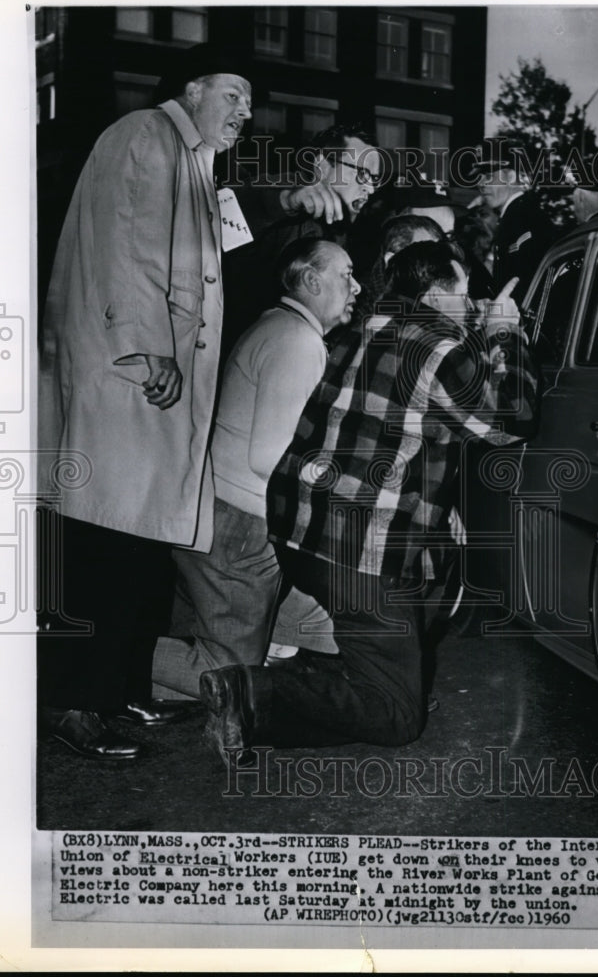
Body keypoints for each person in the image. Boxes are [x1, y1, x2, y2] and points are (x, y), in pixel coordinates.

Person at [198, 241, 540, 760]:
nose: (472, 304)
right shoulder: (439, 348)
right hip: (358, 552)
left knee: (430, 573)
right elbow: (512, 421)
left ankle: (348, 677)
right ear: (436, 293)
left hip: (299, 533)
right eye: (465, 292)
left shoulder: (356, 331)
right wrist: (504, 331)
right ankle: (253, 693)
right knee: (399, 718)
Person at [37, 44, 260, 760]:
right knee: (103, 541)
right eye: (233, 94)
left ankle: (118, 687)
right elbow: (125, 250)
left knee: (138, 545)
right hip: (129, 376)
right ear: (192, 88)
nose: (245, 112)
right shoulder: (144, 137)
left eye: (248, 102)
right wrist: (148, 348)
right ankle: (71, 702)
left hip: (152, 389)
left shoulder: (193, 160)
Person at [151, 239, 360, 699]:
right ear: (310, 280)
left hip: (213, 511)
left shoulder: (277, 325)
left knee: (318, 628)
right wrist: (341, 484)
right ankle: (104, 661)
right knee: (227, 676)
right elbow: (270, 457)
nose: (357, 286)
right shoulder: (298, 342)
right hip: (240, 526)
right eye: (346, 275)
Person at [220, 124, 381, 356]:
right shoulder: (277, 190)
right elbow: (212, 224)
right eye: (362, 174)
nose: (371, 189)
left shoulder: (350, 230)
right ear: (321, 165)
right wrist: (285, 202)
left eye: (375, 179)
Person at [471, 138, 554, 305]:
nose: (480, 183)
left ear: (510, 176)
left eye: (488, 175)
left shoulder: (523, 220)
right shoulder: (517, 216)